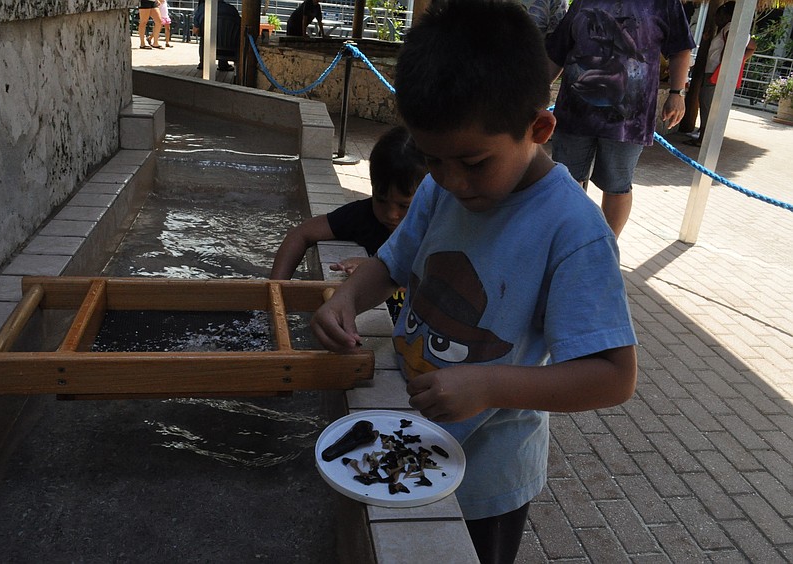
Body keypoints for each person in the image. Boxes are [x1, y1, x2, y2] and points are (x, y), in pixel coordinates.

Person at [309, 2, 638, 562]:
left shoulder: (572, 230)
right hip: (408, 432)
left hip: (488, 476)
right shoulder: (439, 187)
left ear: (539, 128)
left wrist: (489, 386)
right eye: (432, 160)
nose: (452, 181)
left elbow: (613, 376)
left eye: (474, 162)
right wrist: (346, 297)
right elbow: (391, 263)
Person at [545, 0, 695, 238]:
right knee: (567, 181)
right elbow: (559, 50)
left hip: (628, 118)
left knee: (617, 185)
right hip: (575, 112)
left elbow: (680, 49)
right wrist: (538, 92)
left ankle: (606, 246)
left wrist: (677, 93)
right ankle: (566, 242)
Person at [271, 126, 427, 323]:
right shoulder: (363, 216)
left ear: (427, 197)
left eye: (404, 205)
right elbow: (300, 234)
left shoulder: (433, 229)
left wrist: (375, 266)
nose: (391, 214)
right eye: (380, 199)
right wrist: (275, 291)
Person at [686, 1, 757, 147]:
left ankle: (704, 139)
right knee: (707, 104)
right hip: (715, 71)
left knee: (708, 105)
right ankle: (703, 136)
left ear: (725, 15)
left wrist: (727, 64)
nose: (715, 19)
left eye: (717, 16)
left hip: (715, 73)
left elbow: (745, 46)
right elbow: (751, 46)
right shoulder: (727, 29)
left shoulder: (730, 28)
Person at [193, 0, 239, 71]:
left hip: (208, 48)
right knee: (225, 36)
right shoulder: (232, 9)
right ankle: (223, 64)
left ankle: (203, 63)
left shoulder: (202, 8)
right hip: (230, 50)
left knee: (204, 37)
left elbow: (196, 30)